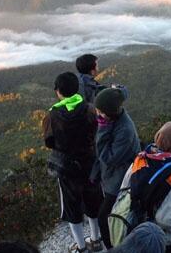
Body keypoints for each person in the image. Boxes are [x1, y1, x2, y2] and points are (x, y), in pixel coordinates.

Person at [44, 72, 104, 253]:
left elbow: (49, 142)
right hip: (90, 164)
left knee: (72, 207)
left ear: (58, 92)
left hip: (67, 168)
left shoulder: (52, 115)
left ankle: (81, 247)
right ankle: (96, 240)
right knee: (93, 202)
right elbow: (98, 132)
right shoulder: (90, 109)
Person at [120, 121, 171, 253]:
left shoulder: (140, 161)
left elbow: (125, 192)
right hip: (164, 240)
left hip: (136, 230)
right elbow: (165, 218)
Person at [91, 87, 141, 249]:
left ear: (109, 113)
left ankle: (112, 248)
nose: (97, 114)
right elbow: (120, 92)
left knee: (104, 217)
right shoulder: (114, 117)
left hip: (120, 179)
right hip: (112, 176)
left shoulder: (124, 129)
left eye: (100, 111)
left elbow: (108, 158)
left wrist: (103, 128)